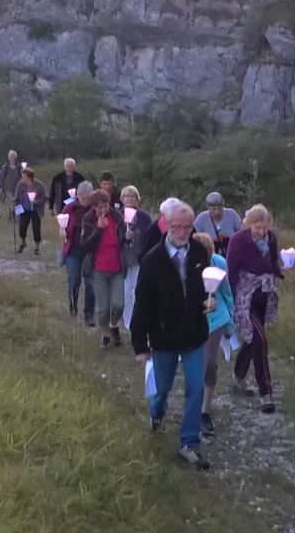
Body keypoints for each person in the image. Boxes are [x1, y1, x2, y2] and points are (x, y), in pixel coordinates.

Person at [130, 199, 218, 471]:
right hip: (163, 337)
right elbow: (142, 303)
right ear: (166, 225)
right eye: (176, 226)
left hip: (193, 335)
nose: (182, 232)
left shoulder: (200, 254)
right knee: (163, 387)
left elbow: (204, 288)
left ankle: (189, 443)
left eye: (187, 227)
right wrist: (140, 345)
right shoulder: (152, 259)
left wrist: (209, 302)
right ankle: (157, 413)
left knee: (195, 386)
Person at [225, 204, 284, 412]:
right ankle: (265, 393)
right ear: (248, 224)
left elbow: (273, 259)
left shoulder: (271, 237)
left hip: (264, 294)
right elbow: (230, 270)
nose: (261, 232)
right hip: (245, 295)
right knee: (261, 340)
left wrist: (280, 272)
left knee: (253, 340)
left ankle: (239, 376)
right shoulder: (238, 240)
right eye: (257, 227)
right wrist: (228, 301)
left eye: (264, 227)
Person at [193, 231, 234, 440]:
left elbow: (226, 293)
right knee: (195, 362)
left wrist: (230, 323)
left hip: (216, 320)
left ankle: (204, 412)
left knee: (209, 362)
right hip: (192, 319)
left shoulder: (219, 263)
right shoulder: (186, 264)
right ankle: (191, 404)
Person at [79, 189, 128, 349]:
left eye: (105, 206)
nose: (103, 210)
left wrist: (128, 238)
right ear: (93, 207)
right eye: (99, 207)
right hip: (98, 269)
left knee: (119, 304)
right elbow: (86, 246)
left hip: (117, 268)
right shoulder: (88, 220)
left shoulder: (117, 217)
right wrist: (98, 229)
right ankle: (105, 334)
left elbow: (123, 243)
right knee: (103, 308)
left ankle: (114, 325)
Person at [60, 181, 96, 321]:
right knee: (74, 280)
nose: (86, 200)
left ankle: (89, 314)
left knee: (90, 282)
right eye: (83, 197)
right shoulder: (70, 208)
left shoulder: (95, 209)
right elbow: (61, 224)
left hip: (91, 250)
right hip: (73, 248)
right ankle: (73, 302)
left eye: (88, 197)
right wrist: (62, 232)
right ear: (78, 195)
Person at [120, 186, 154, 331]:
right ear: (122, 199)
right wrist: (124, 237)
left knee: (138, 292)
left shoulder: (144, 217)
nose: (129, 199)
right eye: (126, 196)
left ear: (137, 199)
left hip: (139, 259)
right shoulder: (116, 216)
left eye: (132, 196)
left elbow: (150, 238)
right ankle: (127, 322)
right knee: (125, 292)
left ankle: (139, 321)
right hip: (122, 260)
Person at [14, 167, 47, 255]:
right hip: (23, 209)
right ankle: (23, 242)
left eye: (24, 177)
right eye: (22, 176)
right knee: (22, 227)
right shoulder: (20, 184)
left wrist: (37, 202)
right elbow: (16, 198)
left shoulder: (39, 185)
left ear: (30, 177)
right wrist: (15, 206)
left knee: (36, 228)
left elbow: (45, 197)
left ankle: (37, 247)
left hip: (36, 210)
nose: (22, 178)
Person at [0, 150, 23, 224]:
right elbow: (2, 178)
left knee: (17, 202)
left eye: (12, 156)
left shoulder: (19, 166)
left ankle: (14, 216)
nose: (11, 157)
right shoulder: (5, 167)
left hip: (17, 187)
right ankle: (17, 217)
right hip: (8, 188)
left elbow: (23, 176)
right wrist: (2, 189)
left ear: (15, 157)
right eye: (9, 156)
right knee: (13, 202)